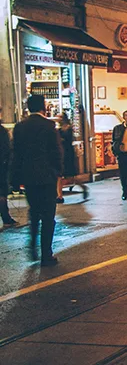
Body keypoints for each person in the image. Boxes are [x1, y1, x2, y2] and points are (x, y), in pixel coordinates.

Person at [10, 95, 63, 265]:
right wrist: (58, 172)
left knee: (34, 211)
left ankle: (32, 245)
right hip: (46, 177)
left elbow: (16, 155)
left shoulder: (20, 127)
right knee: (48, 216)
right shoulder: (49, 125)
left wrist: (15, 178)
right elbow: (56, 152)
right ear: (43, 107)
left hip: (29, 178)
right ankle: (46, 254)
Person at [55, 113, 88, 203]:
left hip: (67, 154)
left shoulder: (68, 128)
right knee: (59, 176)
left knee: (70, 177)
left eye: (60, 117)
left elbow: (67, 140)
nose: (58, 119)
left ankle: (83, 187)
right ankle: (60, 196)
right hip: (61, 154)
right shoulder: (58, 129)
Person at [0, 114, 17, 226]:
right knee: (2, 192)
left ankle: (5, 216)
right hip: (2, 166)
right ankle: (5, 216)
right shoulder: (2, 131)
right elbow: (7, 149)